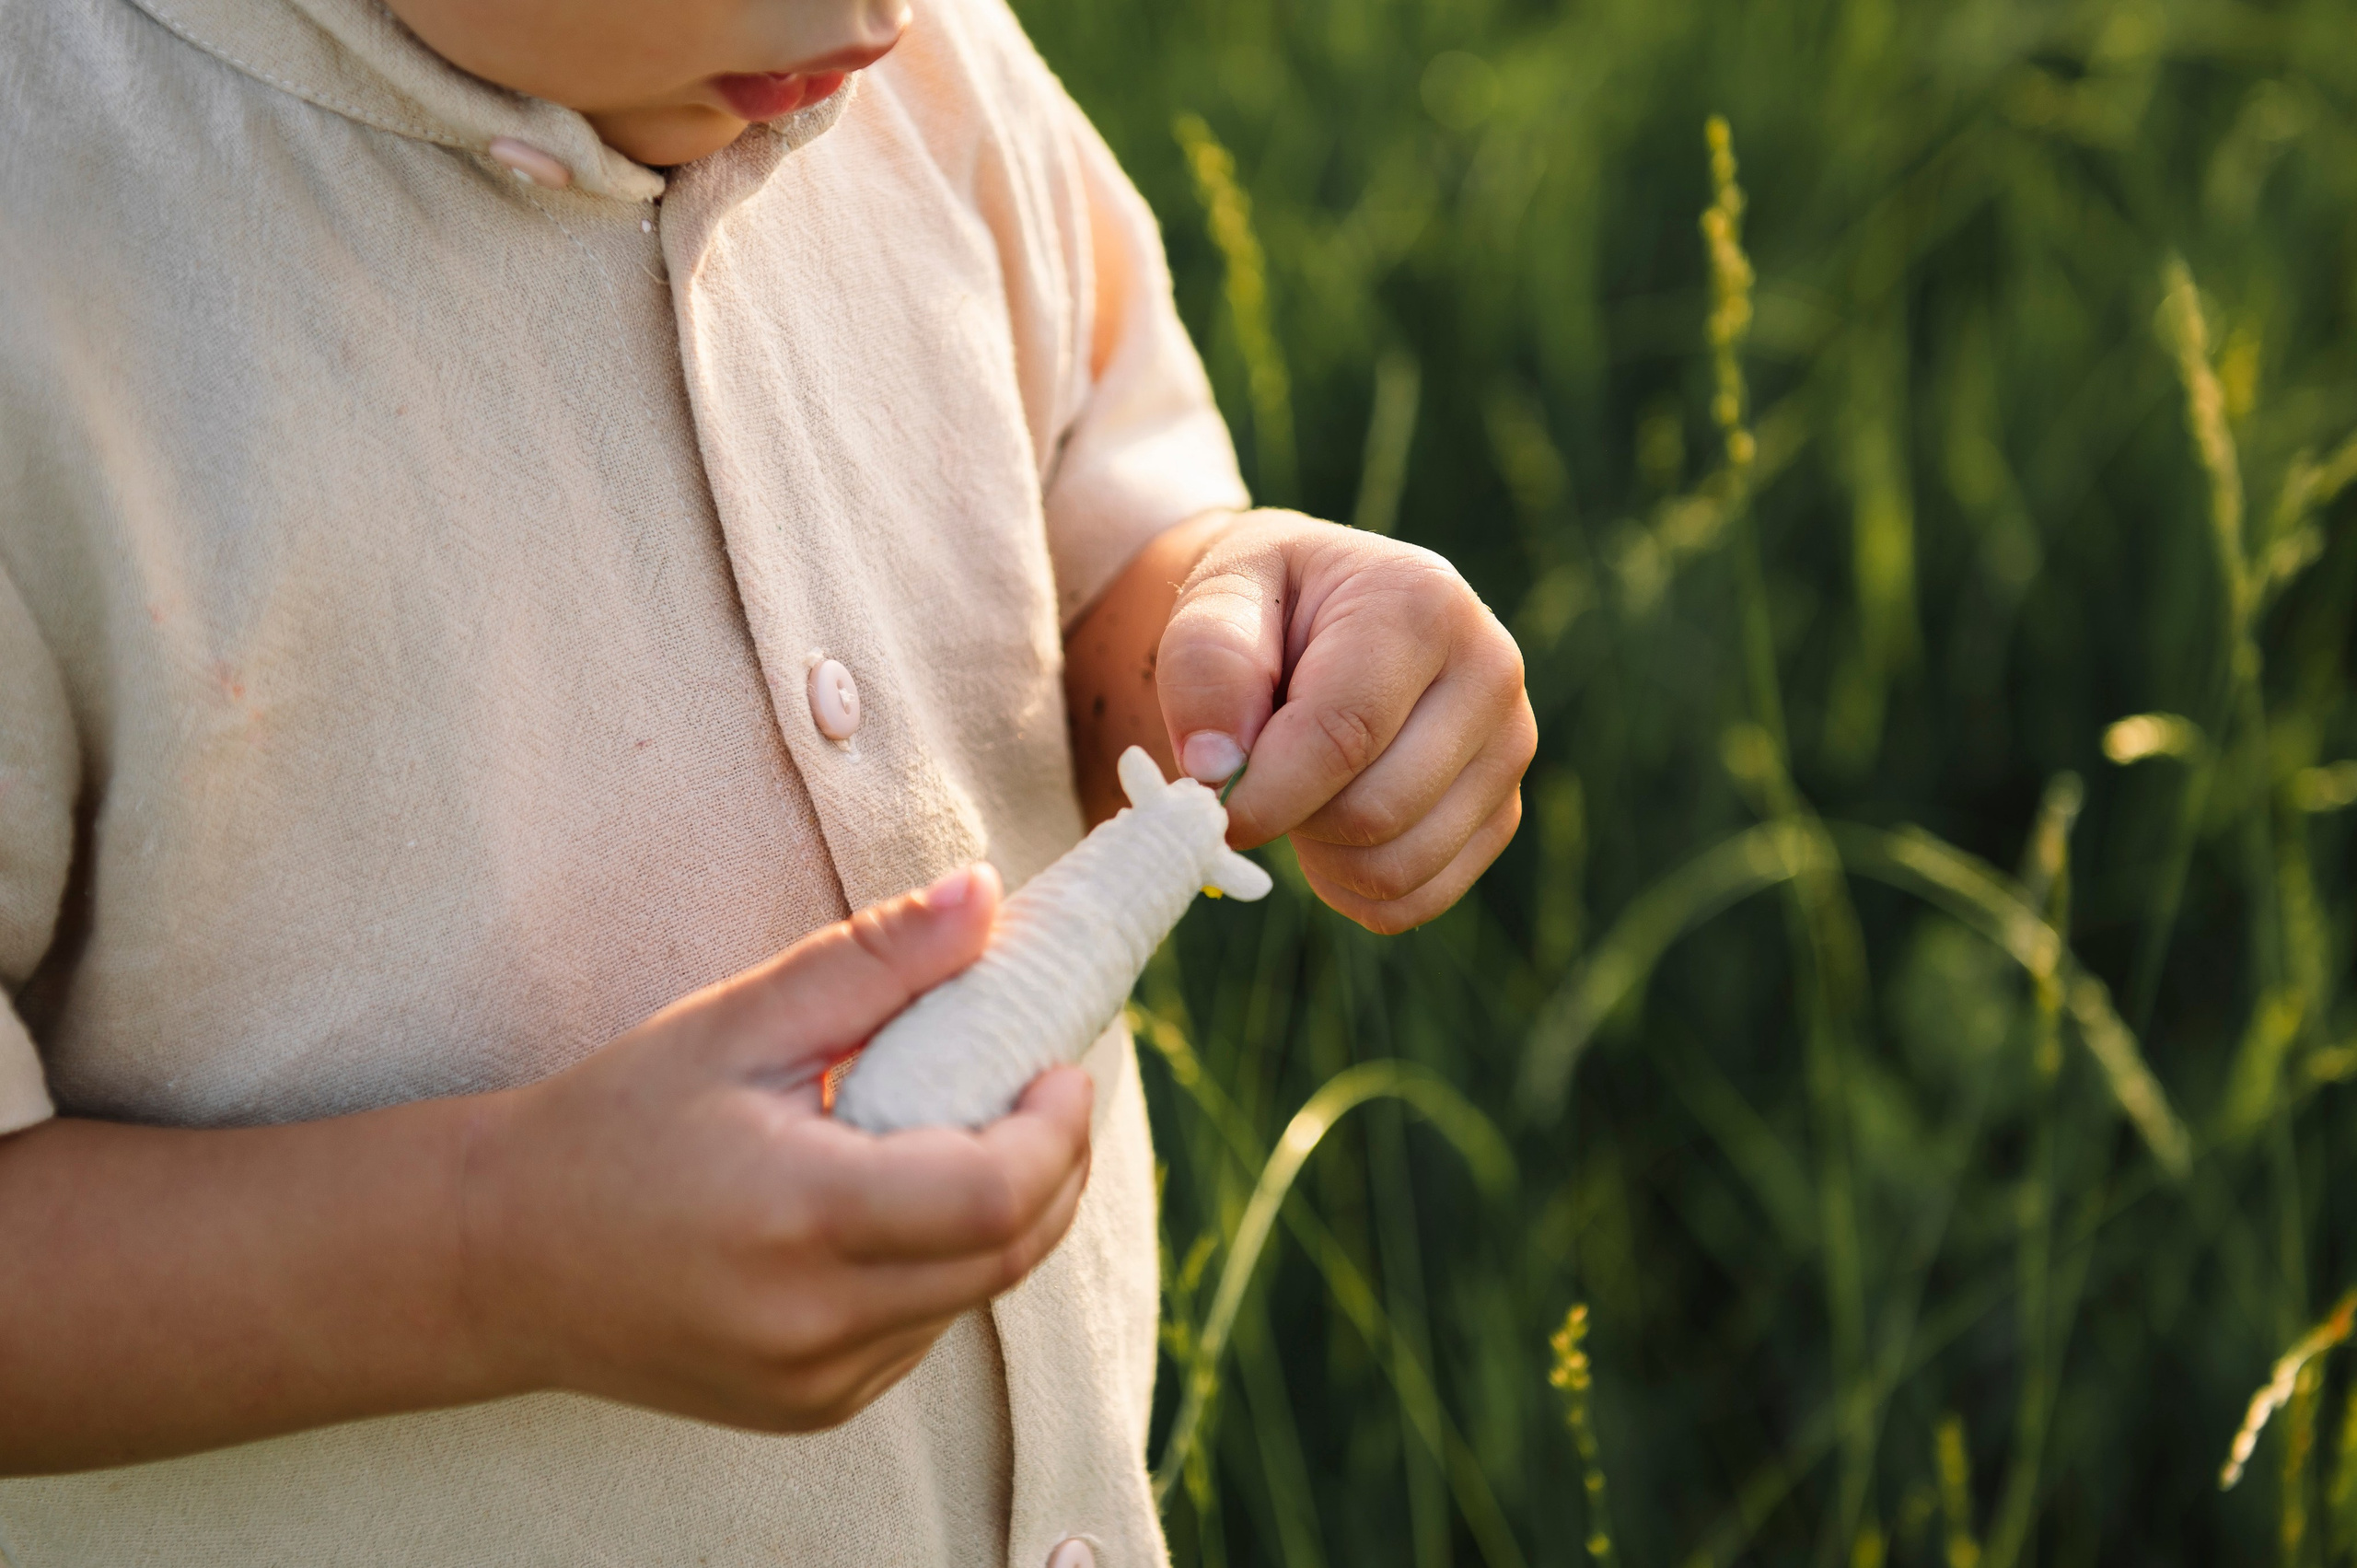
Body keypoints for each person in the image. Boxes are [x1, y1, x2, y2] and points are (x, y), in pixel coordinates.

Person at [0, 0, 1538, 1560]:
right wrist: (492, 1252)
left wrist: (1237, 628)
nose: (869, 18)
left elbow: (1082, 586)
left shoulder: (939, 80)